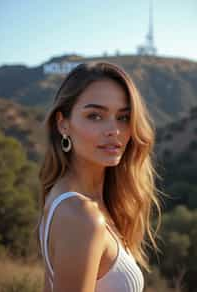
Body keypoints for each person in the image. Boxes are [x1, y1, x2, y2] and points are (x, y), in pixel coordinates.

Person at [37, 61, 162, 292]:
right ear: (63, 123)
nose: (113, 130)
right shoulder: (81, 217)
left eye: (123, 117)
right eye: (95, 116)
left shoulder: (73, 199)